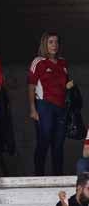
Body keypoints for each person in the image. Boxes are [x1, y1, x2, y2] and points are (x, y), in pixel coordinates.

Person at [29, 31, 74, 176]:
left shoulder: (62, 62)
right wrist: (33, 109)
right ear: (44, 44)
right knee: (44, 139)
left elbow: (65, 84)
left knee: (59, 143)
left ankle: (57, 176)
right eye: (50, 42)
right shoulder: (38, 61)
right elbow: (31, 85)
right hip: (44, 105)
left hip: (61, 107)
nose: (54, 45)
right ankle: (38, 174)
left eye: (56, 42)